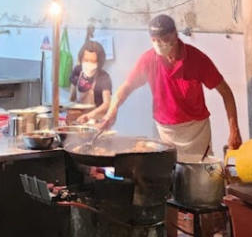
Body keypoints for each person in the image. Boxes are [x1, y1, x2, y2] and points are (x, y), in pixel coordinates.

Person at [100, 14, 242, 161]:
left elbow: (226, 92)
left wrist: (234, 130)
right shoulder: (149, 60)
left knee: (199, 176)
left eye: (165, 39)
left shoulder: (197, 59)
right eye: (155, 40)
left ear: (175, 35)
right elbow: (125, 88)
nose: (160, 44)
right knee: (168, 175)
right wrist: (111, 112)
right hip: (164, 131)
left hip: (196, 131)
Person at [69, 38, 112, 123]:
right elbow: (72, 97)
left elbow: (107, 104)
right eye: (86, 60)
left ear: (99, 62)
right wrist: (70, 111)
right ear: (81, 59)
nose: (89, 64)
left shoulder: (104, 76)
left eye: (93, 61)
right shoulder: (77, 71)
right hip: (79, 119)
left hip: (97, 121)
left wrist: (88, 116)